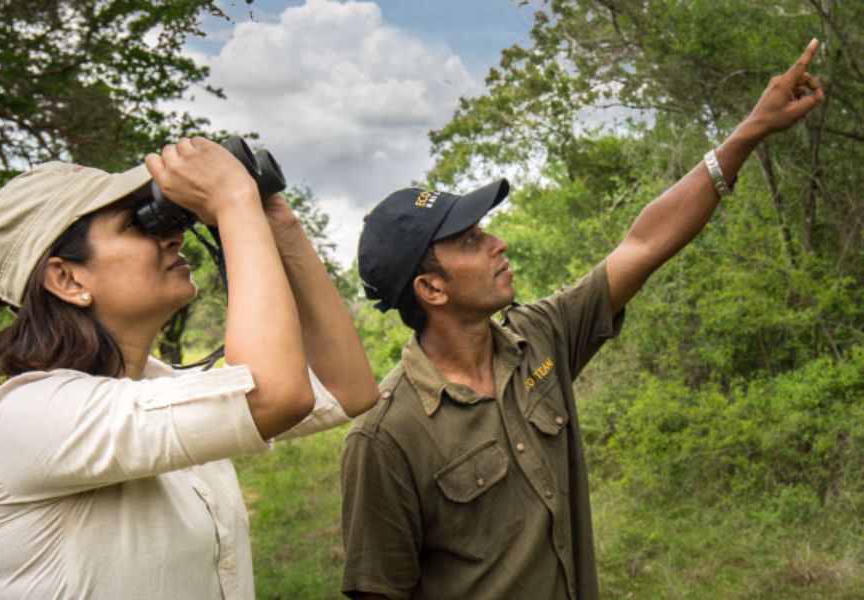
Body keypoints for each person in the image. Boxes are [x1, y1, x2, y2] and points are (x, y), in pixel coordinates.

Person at [340, 40, 824, 599]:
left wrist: (751, 131)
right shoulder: (385, 437)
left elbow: (643, 245)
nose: (498, 243)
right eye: (472, 241)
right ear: (431, 288)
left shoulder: (539, 337)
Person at [0, 137, 379, 598]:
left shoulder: (165, 392)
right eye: (137, 224)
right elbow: (275, 395)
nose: (173, 234)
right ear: (67, 278)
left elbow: (347, 391)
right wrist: (232, 202)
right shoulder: (24, 417)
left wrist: (281, 231)